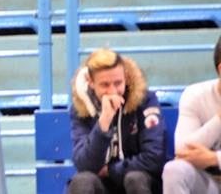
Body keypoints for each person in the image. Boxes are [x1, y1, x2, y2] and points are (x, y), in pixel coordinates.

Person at [68, 48, 165, 193]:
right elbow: (84, 165)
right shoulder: (82, 109)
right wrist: (104, 122)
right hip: (101, 186)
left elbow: (153, 157)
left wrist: (111, 170)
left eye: (118, 83)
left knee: (135, 179)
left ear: (126, 77)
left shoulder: (144, 100)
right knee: (82, 181)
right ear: (90, 82)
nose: (112, 91)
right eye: (105, 85)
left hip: (140, 182)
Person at [161, 35, 221, 193]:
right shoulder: (196, 94)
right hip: (208, 182)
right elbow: (182, 151)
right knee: (174, 170)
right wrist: (219, 119)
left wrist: (214, 158)